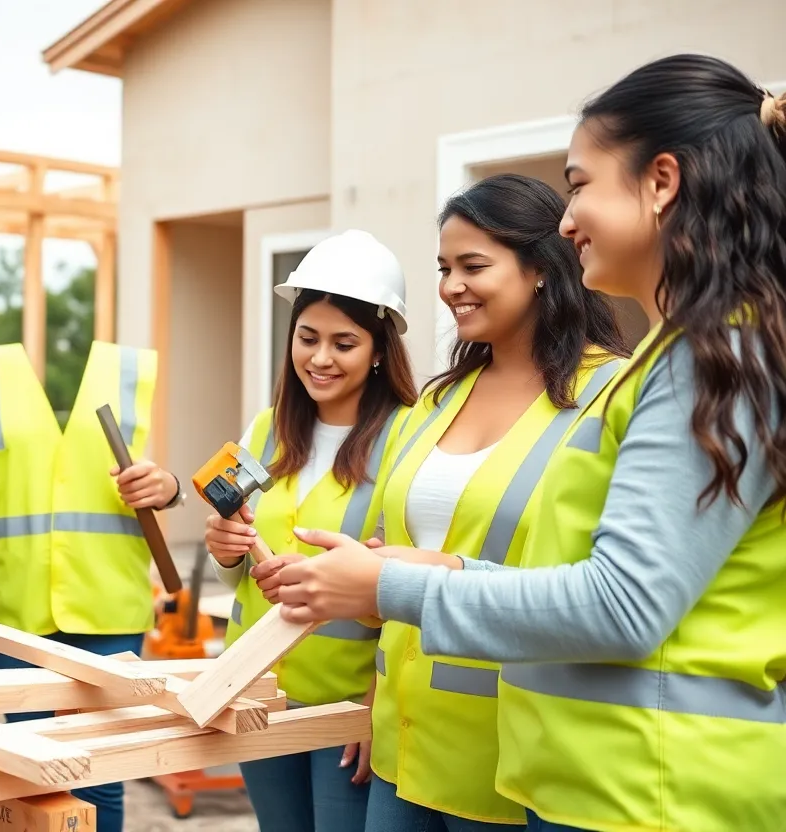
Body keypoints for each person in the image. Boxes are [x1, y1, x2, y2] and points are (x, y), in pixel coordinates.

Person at [257, 54, 786, 832]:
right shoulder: (675, 356)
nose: (567, 219)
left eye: (579, 185)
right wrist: (438, 566)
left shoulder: (712, 356)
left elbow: (623, 604)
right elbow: (601, 572)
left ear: (662, 182)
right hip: (599, 780)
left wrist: (387, 590)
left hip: (656, 790)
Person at [354, 174, 626, 832]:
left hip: (510, 757)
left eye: (473, 266)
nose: (451, 286)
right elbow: (390, 550)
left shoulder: (611, 392)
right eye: (444, 268)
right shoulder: (434, 401)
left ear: (540, 269)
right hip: (402, 739)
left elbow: (597, 583)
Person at [204, 229, 418, 832]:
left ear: (379, 349)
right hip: (256, 692)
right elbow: (235, 553)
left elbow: (417, 575)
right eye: (307, 338)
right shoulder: (266, 429)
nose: (320, 359)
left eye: (344, 343)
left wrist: (384, 701)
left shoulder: (410, 438)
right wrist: (225, 551)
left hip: (348, 708)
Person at [0, 336, 182, 832]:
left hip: (109, 607)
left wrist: (169, 488)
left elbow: (161, 486)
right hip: (15, 610)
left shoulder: (128, 370)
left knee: (100, 772)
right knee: (33, 772)